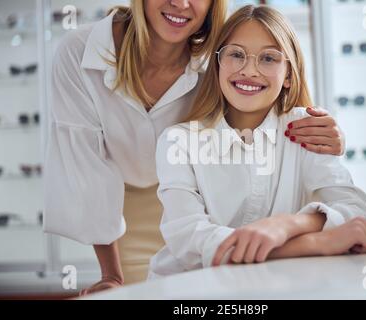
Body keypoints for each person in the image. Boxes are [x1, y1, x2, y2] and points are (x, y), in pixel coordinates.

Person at [44, 0, 345, 294]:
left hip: (196, 197)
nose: (180, 3)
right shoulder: (81, 53)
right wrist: (111, 274)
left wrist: (330, 136)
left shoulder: (221, 54)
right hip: (123, 204)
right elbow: (87, 165)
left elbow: (277, 99)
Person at [149, 5, 366, 279]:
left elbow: (357, 212)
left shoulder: (305, 128)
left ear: (288, 75)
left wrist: (287, 225)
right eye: (236, 54)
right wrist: (314, 242)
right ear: (217, 64)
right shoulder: (178, 142)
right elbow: (191, 242)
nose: (249, 70)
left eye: (268, 59)